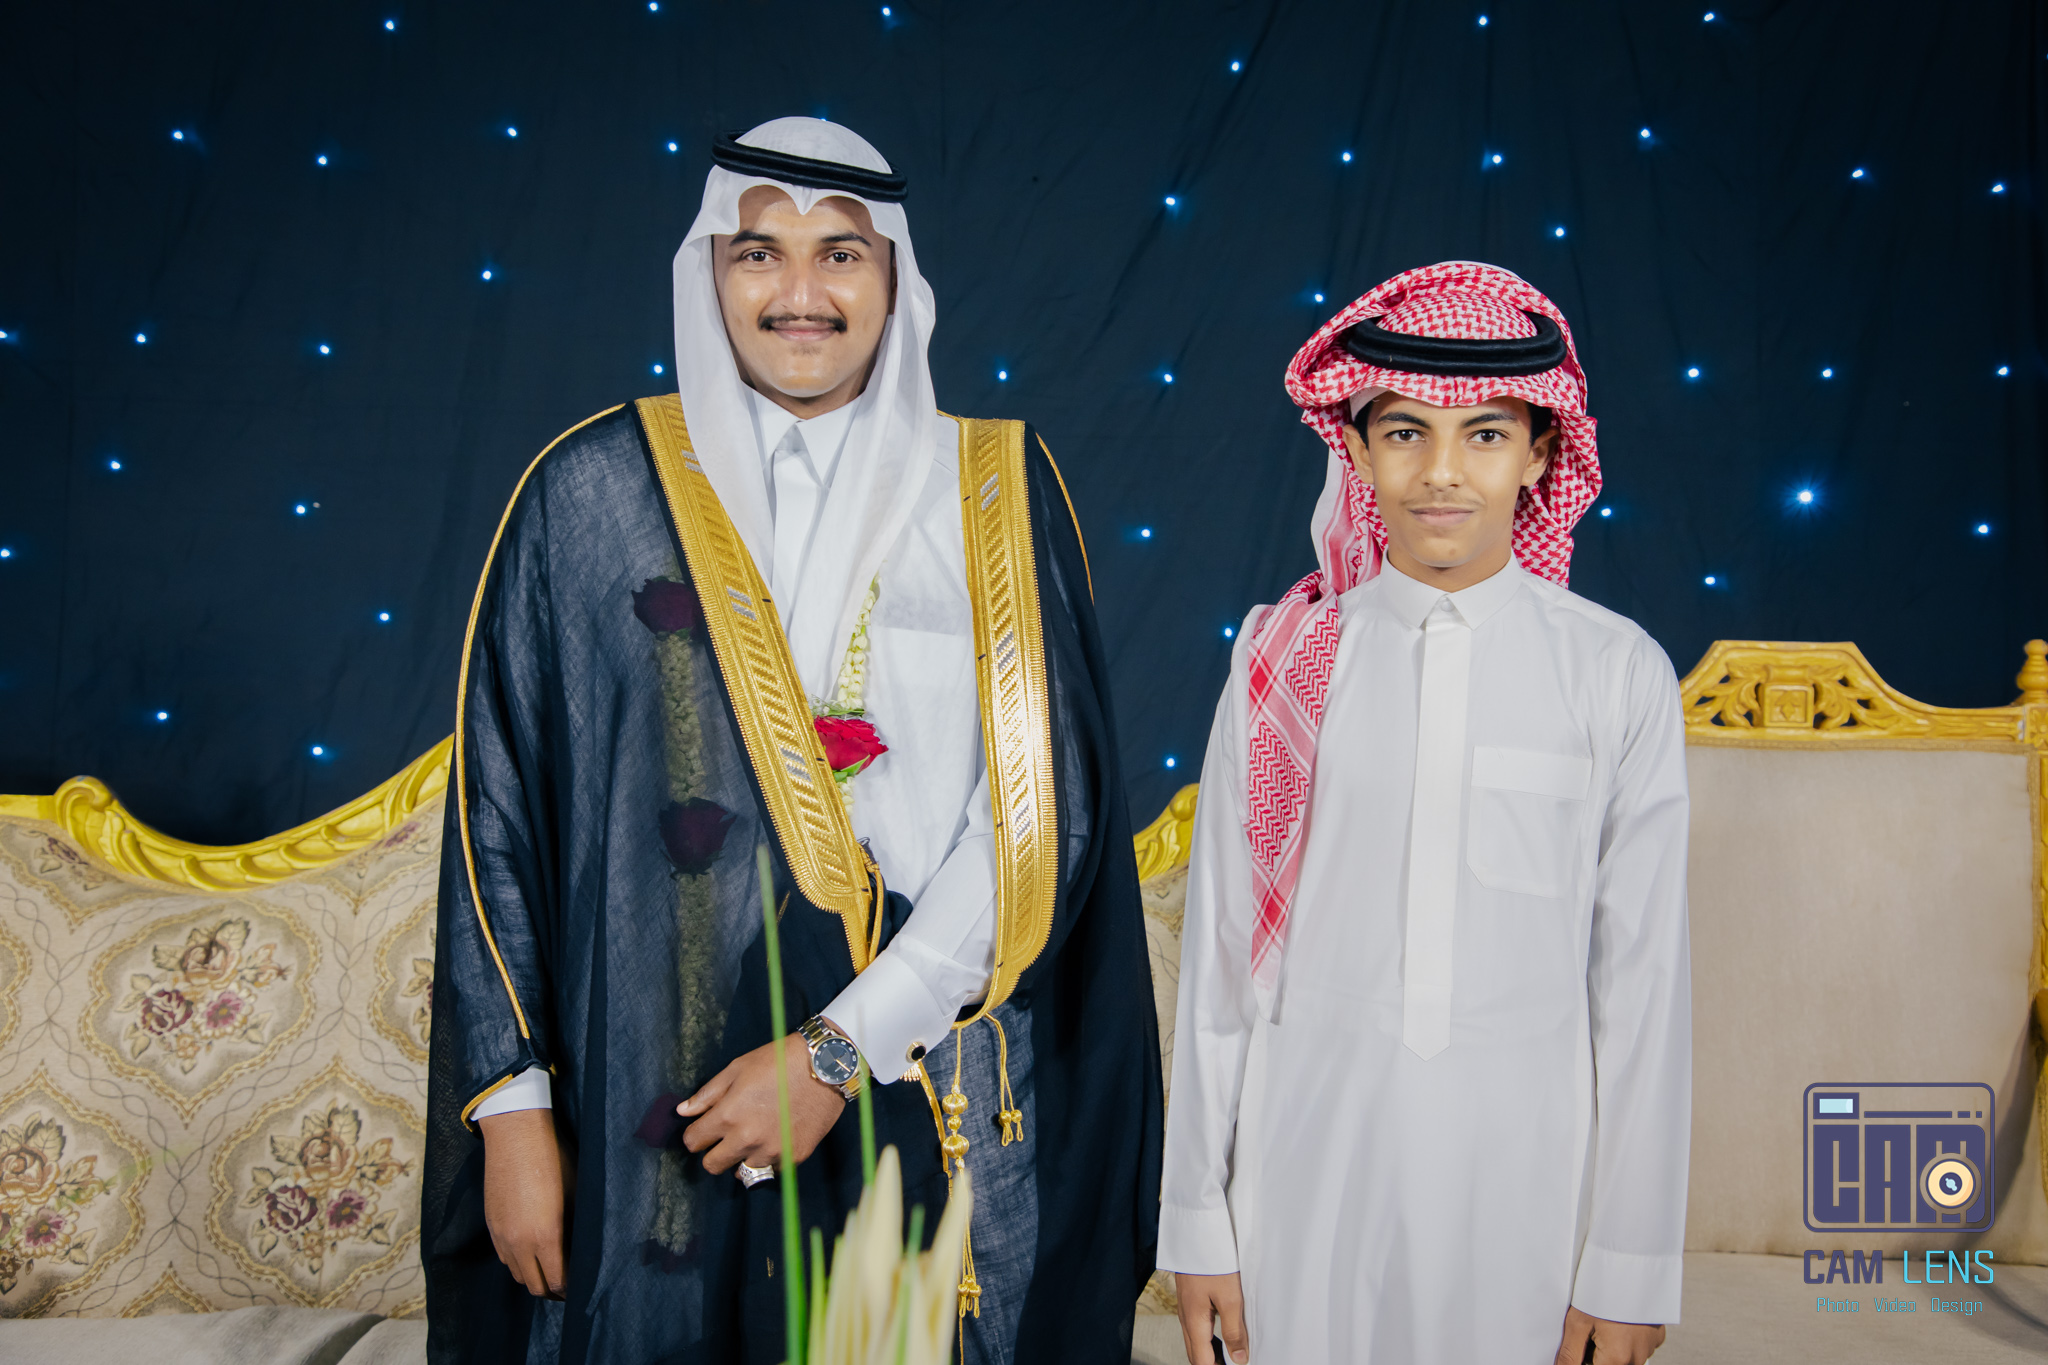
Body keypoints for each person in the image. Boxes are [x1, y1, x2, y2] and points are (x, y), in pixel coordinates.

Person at [423, 117, 1161, 1365]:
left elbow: (1041, 817)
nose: (800, 292)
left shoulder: (990, 488)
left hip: (920, 1076)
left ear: (895, 279)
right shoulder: (591, 492)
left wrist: (835, 1050)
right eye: (759, 252)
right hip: (649, 1104)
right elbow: (496, 817)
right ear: (708, 272)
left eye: (841, 254)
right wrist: (510, 1115)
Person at [1161, 262, 1691, 1365]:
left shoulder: (1614, 670)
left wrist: (1630, 1263)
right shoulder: (1282, 660)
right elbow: (1218, 966)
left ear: (1540, 453)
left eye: (1484, 435)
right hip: (1303, 1174)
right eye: (1404, 432)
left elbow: (1643, 994)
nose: (1441, 472)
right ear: (1355, 451)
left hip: (1528, 1188)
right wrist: (1197, 1222)